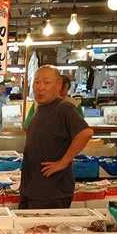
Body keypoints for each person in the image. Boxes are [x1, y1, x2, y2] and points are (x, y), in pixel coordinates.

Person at [20, 66, 94, 210]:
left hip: (52, 191)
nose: (40, 87)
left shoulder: (64, 108)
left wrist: (63, 162)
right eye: (36, 82)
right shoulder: (40, 108)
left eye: (46, 83)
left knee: (44, 231)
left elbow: (85, 133)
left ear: (59, 85)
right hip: (33, 188)